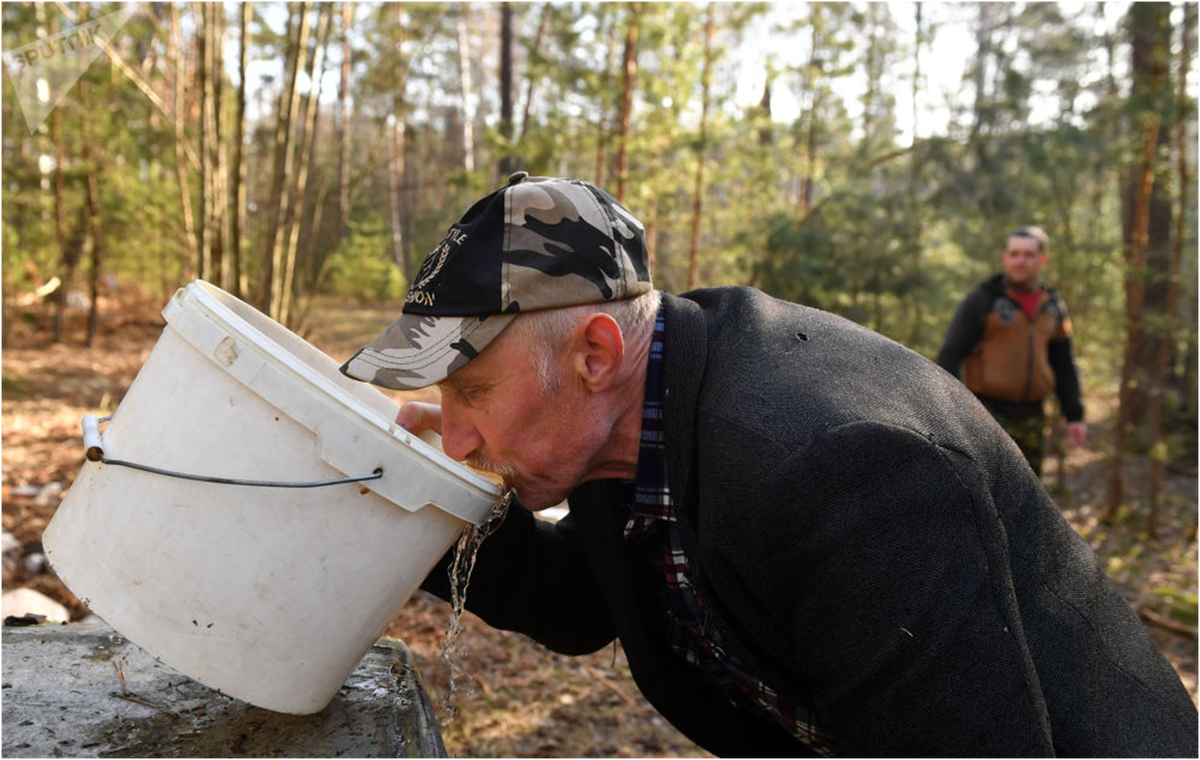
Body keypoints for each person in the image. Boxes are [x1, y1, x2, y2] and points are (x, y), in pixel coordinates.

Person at [341, 174, 1198, 756]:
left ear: (595, 353)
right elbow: (582, 605)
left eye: (472, 391)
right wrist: (423, 501)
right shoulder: (631, 417)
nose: (453, 434)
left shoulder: (843, 470)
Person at [936, 227, 1087, 476]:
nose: (1020, 261)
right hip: (986, 414)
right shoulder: (983, 300)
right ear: (1004, 257)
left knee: (1028, 490)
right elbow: (950, 356)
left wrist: (1074, 415)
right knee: (987, 488)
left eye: (1028, 254)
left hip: (1033, 414)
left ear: (1042, 259)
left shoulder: (1053, 306)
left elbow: (1063, 363)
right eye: (1014, 253)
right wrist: (951, 412)